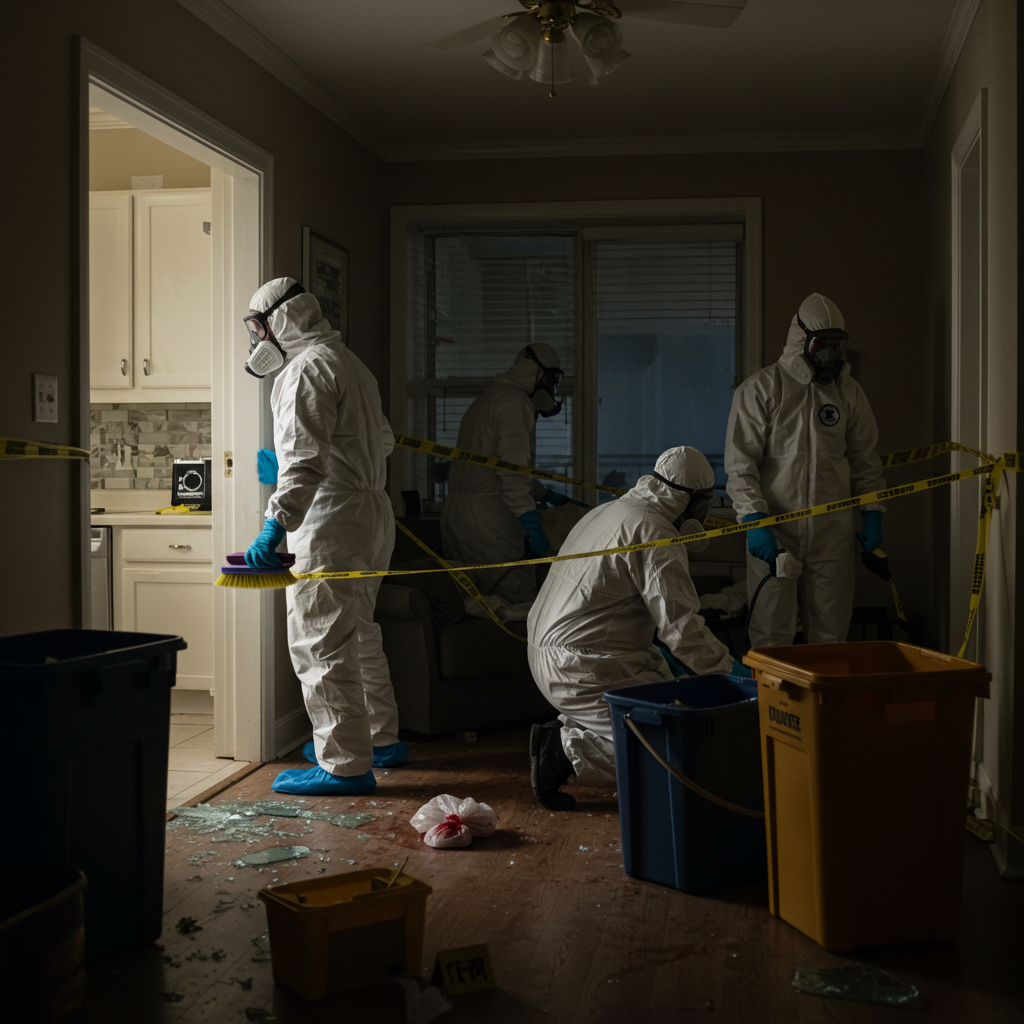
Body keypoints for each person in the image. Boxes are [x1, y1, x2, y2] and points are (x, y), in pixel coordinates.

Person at [242, 277, 406, 796]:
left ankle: (344, 763)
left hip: (331, 518)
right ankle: (379, 738)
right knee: (359, 632)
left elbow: (302, 463)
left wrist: (275, 524)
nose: (256, 340)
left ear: (278, 320)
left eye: (257, 328)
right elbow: (383, 440)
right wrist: (342, 461)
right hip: (372, 512)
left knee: (319, 640)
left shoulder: (303, 370)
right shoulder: (350, 363)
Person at [526, 446, 747, 811]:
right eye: (708, 501)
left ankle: (577, 729)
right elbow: (682, 629)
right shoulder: (653, 531)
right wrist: (733, 674)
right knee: (676, 751)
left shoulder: (611, 510)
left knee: (673, 699)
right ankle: (563, 752)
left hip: (561, 651)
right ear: (691, 499)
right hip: (583, 665)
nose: (707, 512)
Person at [724, 293, 886, 648]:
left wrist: (872, 511)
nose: (829, 353)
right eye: (820, 344)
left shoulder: (848, 392)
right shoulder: (762, 388)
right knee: (771, 634)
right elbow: (740, 464)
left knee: (831, 635)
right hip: (776, 531)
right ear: (800, 339)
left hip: (833, 534)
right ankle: (773, 690)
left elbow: (864, 459)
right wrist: (754, 519)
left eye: (835, 345)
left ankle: (824, 689)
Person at [440, 342, 579, 609]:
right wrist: (532, 525)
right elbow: (512, 474)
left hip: (458, 515)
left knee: (476, 604)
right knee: (512, 604)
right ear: (537, 373)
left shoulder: (491, 397)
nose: (552, 389)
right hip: (488, 521)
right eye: (552, 380)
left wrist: (545, 494)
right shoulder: (514, 403)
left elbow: (498, 468)